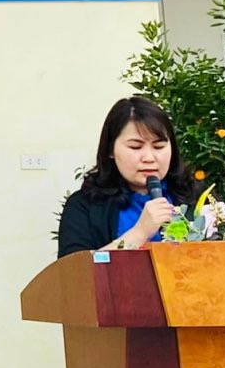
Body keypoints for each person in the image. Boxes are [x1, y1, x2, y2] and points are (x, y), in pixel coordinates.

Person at [56, 96, 190, 257]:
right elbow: (73, 269)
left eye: (159, 146)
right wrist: (140, 232)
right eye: (135, 147)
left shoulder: (195, 199)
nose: (149, 157)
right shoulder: (84, 206)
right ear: (110, 150)